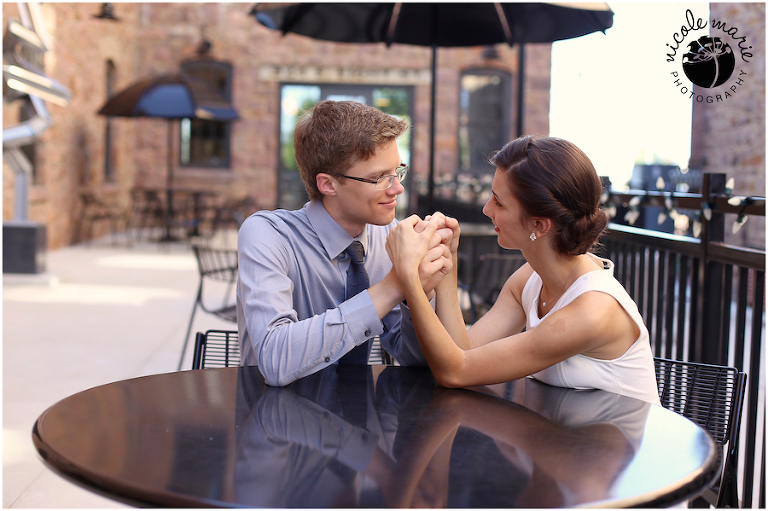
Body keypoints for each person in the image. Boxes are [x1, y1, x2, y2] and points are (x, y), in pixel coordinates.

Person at [386, 135, 661, 405]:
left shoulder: (593, 310)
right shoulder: (529, 279)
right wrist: (448, 261)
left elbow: (456, 372)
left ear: (539, 225)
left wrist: (409, 277)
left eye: (499, 202)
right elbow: (463, 351)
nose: (485, 209)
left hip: (622, 449)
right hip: (564, 441)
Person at [236, 100, 452, 386]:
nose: (398, 188)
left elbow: (413, 359)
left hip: (364, 421)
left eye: (397, 171)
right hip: (274, 421)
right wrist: (396, 284)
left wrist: (420, 293)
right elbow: (275, 360)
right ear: (328, 184)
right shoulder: (268, 235)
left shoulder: (392, 237)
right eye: (379, 178)